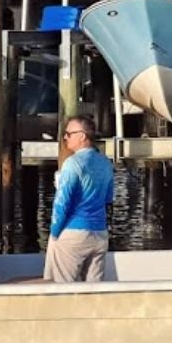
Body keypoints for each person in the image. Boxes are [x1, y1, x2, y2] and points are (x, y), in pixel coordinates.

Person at [44, 116, 115, 282]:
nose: (65, 137)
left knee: (63, 288)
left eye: (69, 134)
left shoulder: (73, 163)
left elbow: (62, 203)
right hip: (99, 233)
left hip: (74, 233)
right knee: (94, 289)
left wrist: (54, 234)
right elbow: (108, 198)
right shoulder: (105, 163)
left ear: (82, 136)